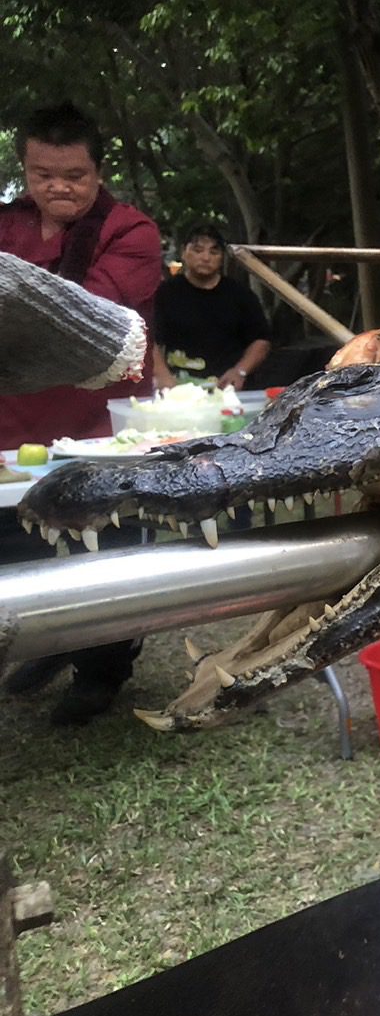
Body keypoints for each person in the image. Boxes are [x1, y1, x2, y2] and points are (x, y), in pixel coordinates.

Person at [0, 101, 162, 724]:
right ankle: (52, 645)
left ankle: (103, 669)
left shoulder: (131, 232)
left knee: (105, 546)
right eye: (43, 174)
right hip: (14, 420)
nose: (58, 187)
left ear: (97, 172)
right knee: (25, 543)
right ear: (25, 168)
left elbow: (90, 318)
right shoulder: (8, 226)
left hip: (100, 421)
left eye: (74, 175)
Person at [151, 224, 271, 391]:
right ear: (184, 253)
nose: (206, 258)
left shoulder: (240, 294)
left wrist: (240, 371)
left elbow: (261, 340)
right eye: (198, 250)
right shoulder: (165, 293)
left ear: (222, 258)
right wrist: (161, 374)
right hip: (179, 390)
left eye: (213, 252)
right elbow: (149, 339)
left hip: (228, 392)